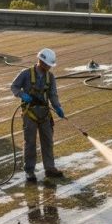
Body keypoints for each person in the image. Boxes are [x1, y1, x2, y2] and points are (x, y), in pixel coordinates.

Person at [11, 47, 66, 183]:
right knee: (30, 143)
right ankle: (29, 171)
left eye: (50, 65)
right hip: (30, 113)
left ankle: (50, 168)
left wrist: (58, 107)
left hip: (45, 113)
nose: (49, 67)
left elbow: (53, 94)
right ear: (40, 61)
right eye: (48, 64)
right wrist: (22, 94)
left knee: (48, 141)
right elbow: (14, 86)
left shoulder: (50, 76)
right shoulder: (26, 74)